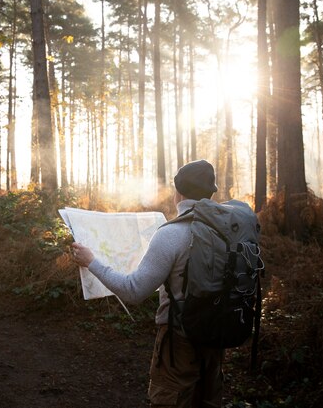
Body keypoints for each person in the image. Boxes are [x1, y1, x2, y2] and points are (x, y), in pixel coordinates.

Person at [71, 159, 224, 408]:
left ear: (178, 193)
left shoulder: (171, 234)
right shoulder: (224, 230)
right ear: (210, 193)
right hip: (216, 340)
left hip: (178, 345)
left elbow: (134, 291)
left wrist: (92, 262)